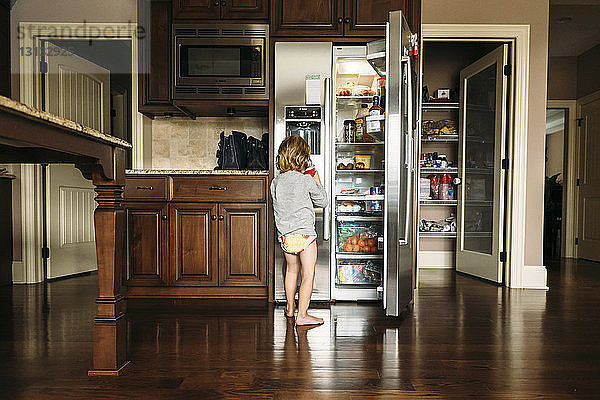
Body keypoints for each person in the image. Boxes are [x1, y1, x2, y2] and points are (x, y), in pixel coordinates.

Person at [271, 136, 328, 326]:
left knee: (291, 270)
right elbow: (322, 202)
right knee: (308, 274)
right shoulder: (306, 180)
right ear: (304, 158)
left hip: (286, 236)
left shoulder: (276, 182)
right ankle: (302, 315)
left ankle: (290, 308)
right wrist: (318, 182)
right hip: (305, 235)